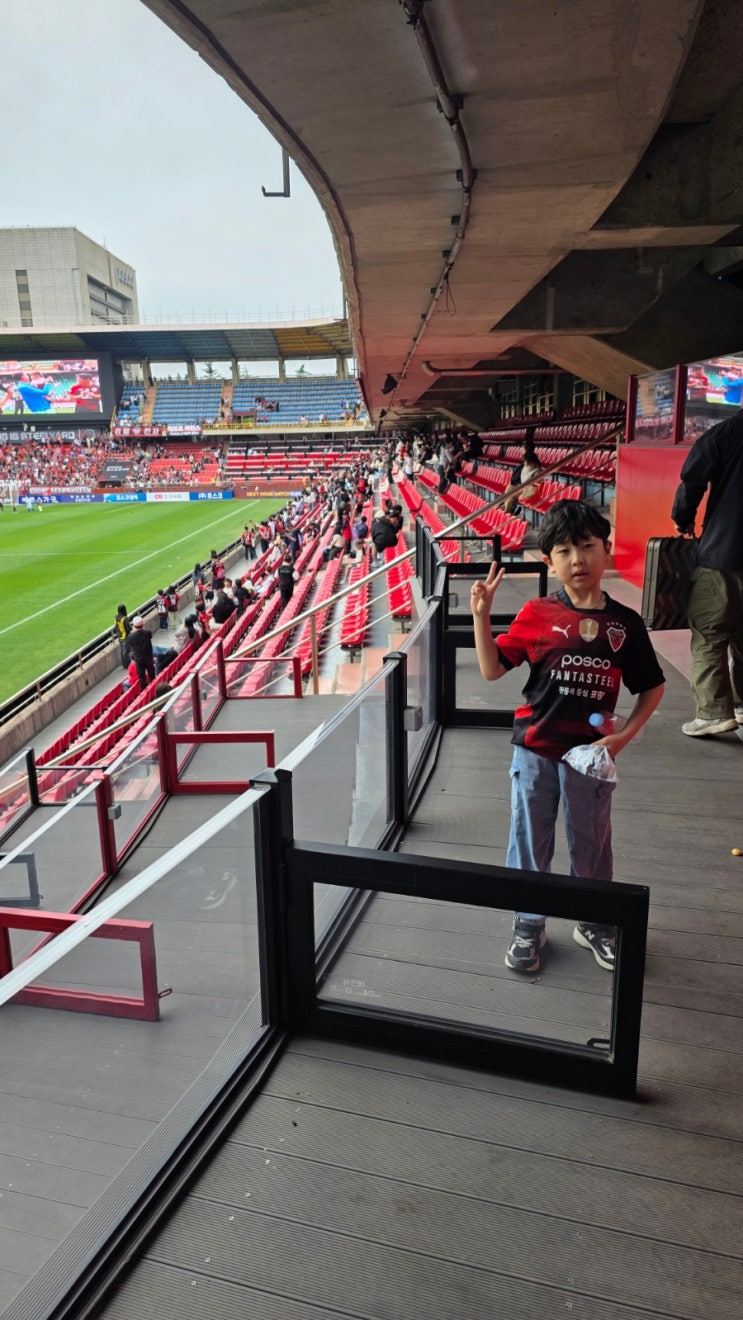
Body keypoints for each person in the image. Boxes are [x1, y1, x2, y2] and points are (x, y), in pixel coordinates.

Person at [471, 499, 665, 974]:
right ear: (548, 561)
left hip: (590, 756)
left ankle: (593, 921)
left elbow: (652, 687)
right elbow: (492, 670)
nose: (578, 559)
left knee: (592, 841)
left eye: (587, 546)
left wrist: (623, 738)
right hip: (535, 748)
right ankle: (529, 923)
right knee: (529, 840)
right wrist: (481, 616)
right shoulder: (536, 613)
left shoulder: (625, 624)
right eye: (564, 551)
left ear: (606, 550)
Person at [671, 411, 743, 736]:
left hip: (722, 554)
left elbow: (692, 481)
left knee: (709, 633)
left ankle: (713, 713)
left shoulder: (725, 434)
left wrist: (682, 518)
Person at [127, 616, 156, 691]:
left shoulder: (131, 637)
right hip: (148, 657)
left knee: (142, 677)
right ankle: (154, 689)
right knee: (152, 674)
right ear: (142, 624)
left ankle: (145, 691)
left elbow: (131, 643)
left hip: (139, 659)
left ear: (134, 626)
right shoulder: (148, 633)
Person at [112, 604, 132, 669]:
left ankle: (124, 664)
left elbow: (116, 627)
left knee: (122, 651)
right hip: (125, 636)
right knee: (126, 651)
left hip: (119, 636)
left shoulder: (116, 617)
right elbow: (128, 628)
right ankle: (127, 664)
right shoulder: (125, 618)